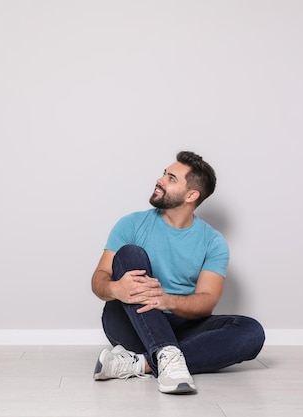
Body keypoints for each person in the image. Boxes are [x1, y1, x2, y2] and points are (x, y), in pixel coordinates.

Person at [91, 151, 265, 394]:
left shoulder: (213, 241)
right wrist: (114, 288)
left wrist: (167, 300)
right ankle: (168, 355)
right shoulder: (131, 224)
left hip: (181, 323)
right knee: (131, 253)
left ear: (191, 195)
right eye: (164, 174)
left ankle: (143, 363)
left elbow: (206, 303)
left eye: (171, 178)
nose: (160, 180)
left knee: (251, 332)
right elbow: (98, 279)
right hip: (131, 320)